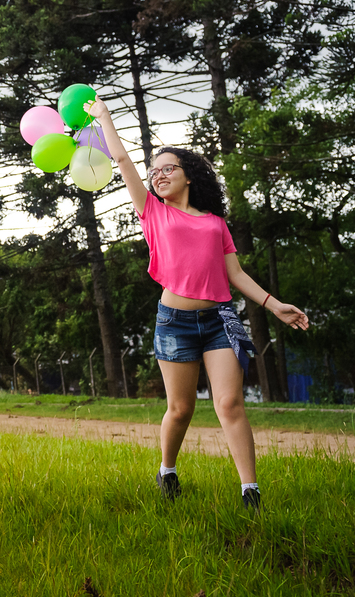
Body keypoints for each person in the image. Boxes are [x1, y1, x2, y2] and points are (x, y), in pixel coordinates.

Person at [89, 95, 309, 511]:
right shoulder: (153, 213)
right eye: (154, 172)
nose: (157, 176)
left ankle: (250, 492)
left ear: (189, 175)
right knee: (181, 408)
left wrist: (275, 305)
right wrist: (104, 117)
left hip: (219, 320)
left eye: (167, 168)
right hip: (173, 322)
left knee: (229, 403)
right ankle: (168, 469)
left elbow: (236, 274)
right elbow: (122, 162)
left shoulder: (215, 223)